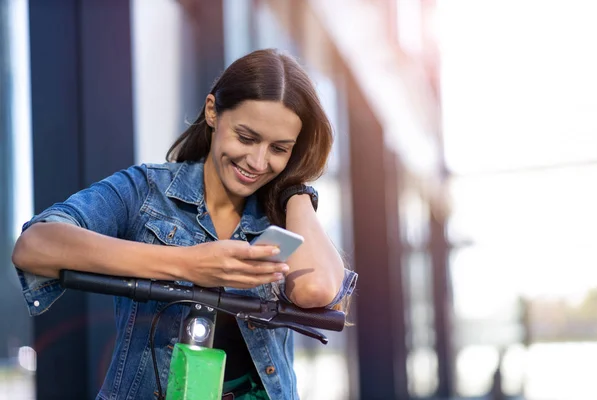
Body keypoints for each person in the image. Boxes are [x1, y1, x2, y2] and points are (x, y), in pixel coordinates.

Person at [11, 48, 357, 400]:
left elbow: (315, 290)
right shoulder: (146, 192)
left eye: (279, 149)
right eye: (246, 138)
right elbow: (35, 247)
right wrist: (189, 264)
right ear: (212, 112)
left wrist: (296, 189)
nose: (257, 161)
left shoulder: (284, 215)